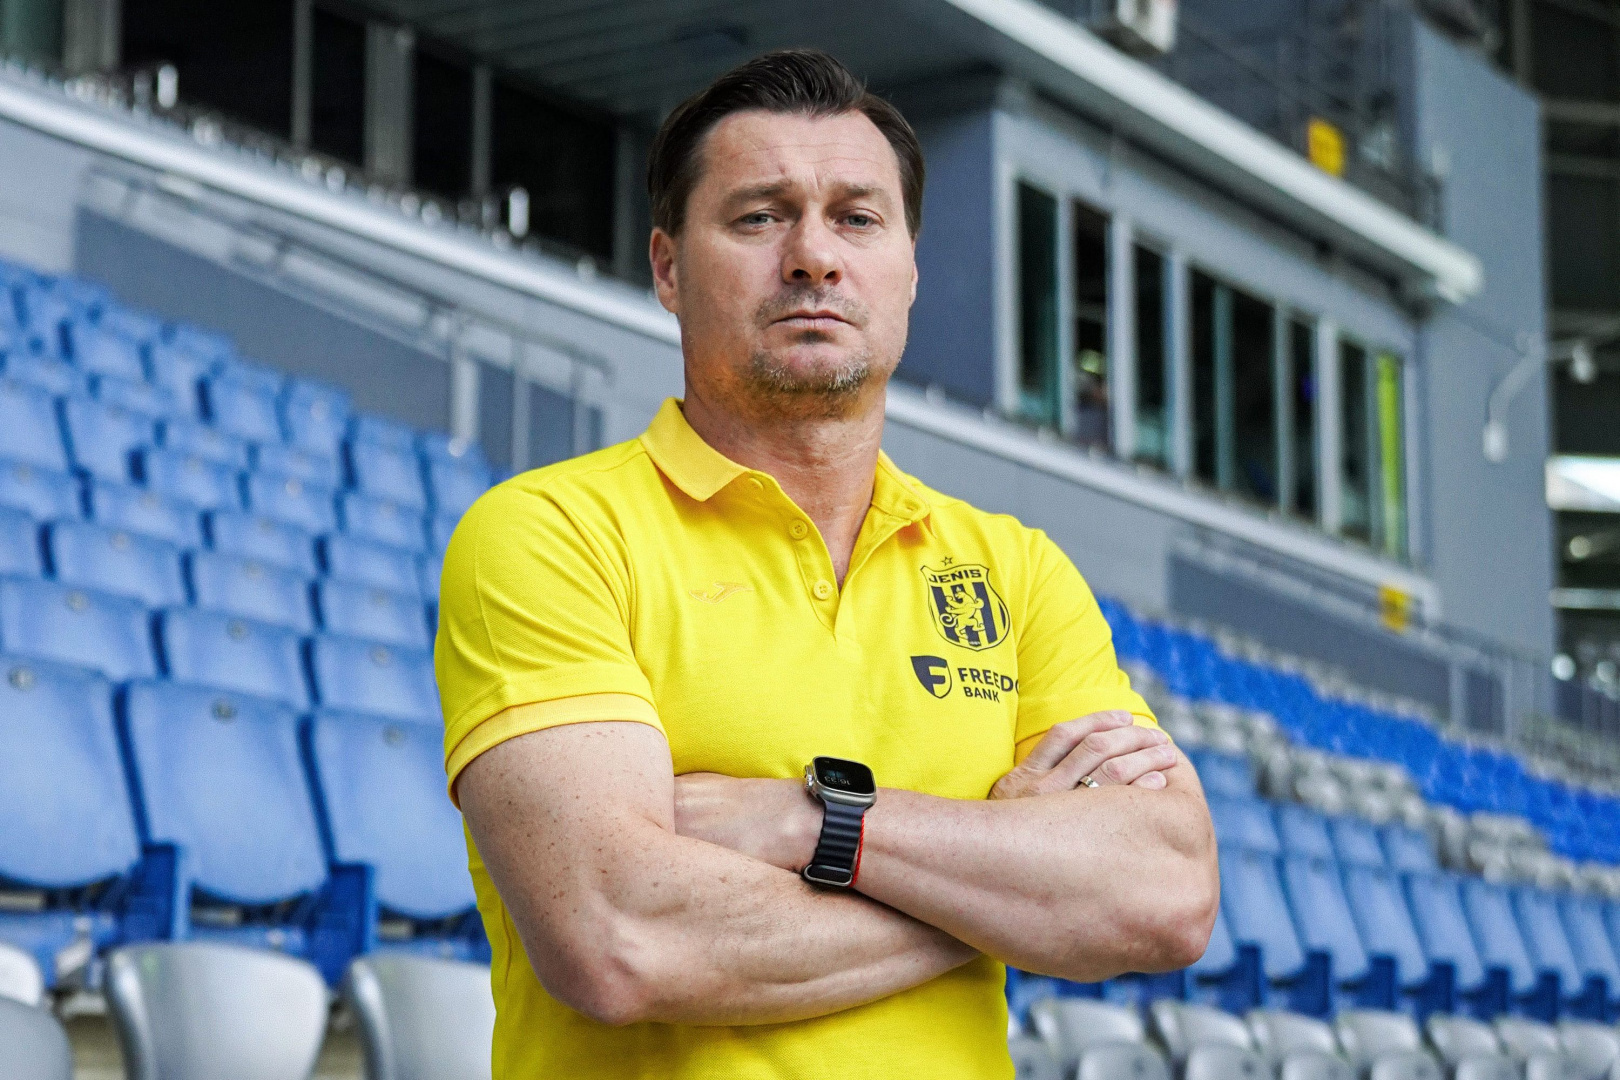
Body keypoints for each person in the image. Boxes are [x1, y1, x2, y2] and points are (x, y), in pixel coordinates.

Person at [436, 48, 1217, 1080]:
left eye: (856, 218)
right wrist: (1002, 891)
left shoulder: (1017, 572)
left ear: (909, 269)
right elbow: (620, 937)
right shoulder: (552, 534)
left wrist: (814, 822)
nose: (813, 256)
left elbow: (1166, 895)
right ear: (668, 269)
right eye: (759, 217)